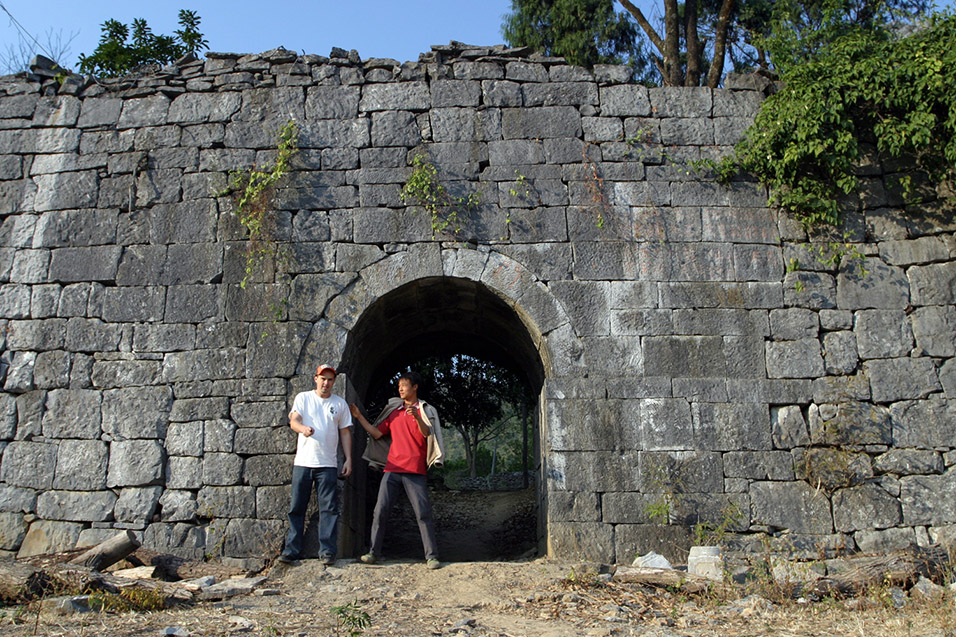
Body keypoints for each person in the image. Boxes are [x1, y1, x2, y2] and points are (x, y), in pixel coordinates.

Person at [350, 371, 445, 570]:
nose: (400, 389)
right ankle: (373, 553)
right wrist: (359, 417)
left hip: (415, 470)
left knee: (423, 512)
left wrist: (417, 417)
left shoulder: (424, 410)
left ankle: (432, 556)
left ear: (415, 387)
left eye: (404, 385)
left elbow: (427, 433)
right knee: (380, 510)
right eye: (399, 386)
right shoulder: (394, 411)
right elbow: (377, 434)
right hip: (392, 468)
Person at [278, 364, 353, 566]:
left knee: (329, 509)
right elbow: (293, 420)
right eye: (323, 378)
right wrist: (303, 429)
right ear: (315, 379)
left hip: (327, 464)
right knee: (296, 508)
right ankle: (292, 549)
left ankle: (327, 551)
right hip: (303, 462)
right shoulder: (303, 398)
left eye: (330, 379)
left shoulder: (340, 404)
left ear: (334, 382)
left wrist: (348, 458)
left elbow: (345, 432)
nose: (326, 383)